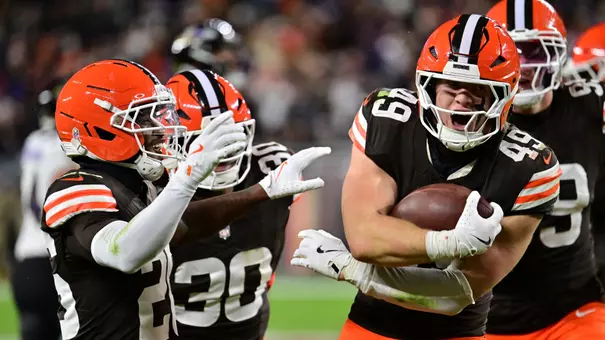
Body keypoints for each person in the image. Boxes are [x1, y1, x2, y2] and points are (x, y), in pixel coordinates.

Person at [291, 14, 561, 340]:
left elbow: (454, 296)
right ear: (427, 86)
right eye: (451, 86)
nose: (463, 98)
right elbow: (364, 239)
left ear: (504, 97)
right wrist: (449, 243)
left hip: (456, 333)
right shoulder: (388, 122)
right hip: (370, 325)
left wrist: (351, 270)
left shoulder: (528, 166)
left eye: (478, 89)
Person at [42, 59, 327, 340]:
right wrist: (186, 178)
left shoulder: (139, 187)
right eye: (142, 118)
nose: (159, 130)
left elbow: (182, 225)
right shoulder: (75, 190)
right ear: (99, 127)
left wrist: (260, 192)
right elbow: (125, 251)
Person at [164, 69, 317, 340]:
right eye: (206, 139)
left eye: (232, 136)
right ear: (173, 141)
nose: (224, 151)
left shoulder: (270, 168)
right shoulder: (154, 192)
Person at [483, 1, 605, 338]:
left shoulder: (590, 105)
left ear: (559, 55)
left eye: (535, 51)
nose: (522, 66)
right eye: (509, 53)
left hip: (571, 312)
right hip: (478, 315)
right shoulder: (465, 116)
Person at [11, 80, 77, 340]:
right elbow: (49, 204)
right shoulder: (62, 147)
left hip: (26, 260)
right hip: (53, 260)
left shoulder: (33, 141)